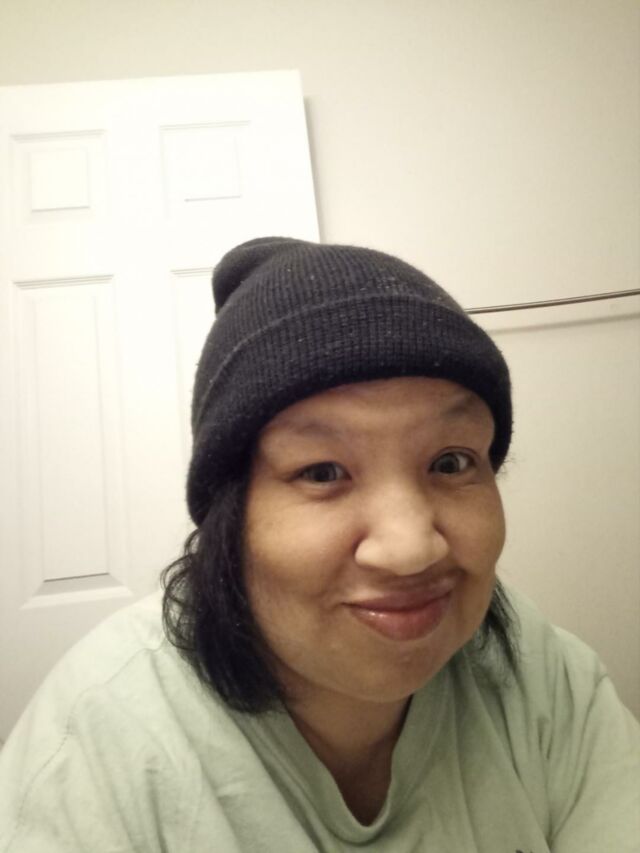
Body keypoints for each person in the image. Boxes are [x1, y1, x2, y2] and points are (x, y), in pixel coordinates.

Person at [0, 238, 638, 852]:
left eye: (450, 462)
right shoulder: (96, 748)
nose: (411, 549)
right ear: (229, 517)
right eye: (323, 472)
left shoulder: (538, 671)